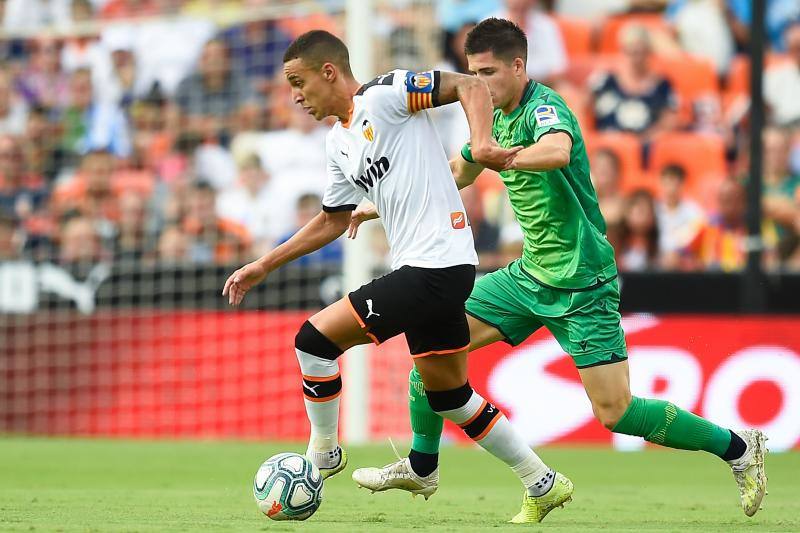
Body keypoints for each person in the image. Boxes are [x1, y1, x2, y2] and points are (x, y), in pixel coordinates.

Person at [349, 18, 767, 519]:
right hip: (527, 278)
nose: (479, 84)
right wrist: (382, 203)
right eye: (472, 74)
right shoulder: (491, 115)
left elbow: (557, 150)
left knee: (617, 413)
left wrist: (507, 159)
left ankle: (739, 447)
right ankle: (422, 465)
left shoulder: (544, 106)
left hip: (582, 284)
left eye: (488, 72)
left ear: (518, 66)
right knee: (432, 351)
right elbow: (459, 170)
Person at [222, 29, 560, 524]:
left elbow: (469, 84)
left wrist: (481, 143)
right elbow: (332, 219)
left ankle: (323, 455)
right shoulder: (339, 144)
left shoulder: (385, 94)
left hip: (436, 265)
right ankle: (541, 481)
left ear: (329, 72)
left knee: (313, 341)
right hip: (435, 269)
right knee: (450, 396)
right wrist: (264, 264)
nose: (296, 96)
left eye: (299, 81)